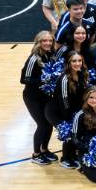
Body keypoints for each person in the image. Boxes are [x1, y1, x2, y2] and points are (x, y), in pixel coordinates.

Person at [21, 32, 60, 165]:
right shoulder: (33, 59)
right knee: (42, 124)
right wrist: (44, 80)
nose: (48, 43)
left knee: (49, 123)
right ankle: (36, 154)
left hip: (46, 96)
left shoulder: (51, 55)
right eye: (44, 41)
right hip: (33, 98)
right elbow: (24, 79)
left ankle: (44, 150)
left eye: (50, 41)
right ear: (38, 42)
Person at [46, 53, 90, 169]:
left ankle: (72, 155)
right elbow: (64, 101)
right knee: (69, 131)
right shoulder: (64, 78)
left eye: (79, 61)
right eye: (74, 61)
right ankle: (65, 159)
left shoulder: (81, 74)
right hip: (57, 111)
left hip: (72, 109)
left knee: (77, 129)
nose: (77, 63)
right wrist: (71, 119)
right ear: (68, 63)